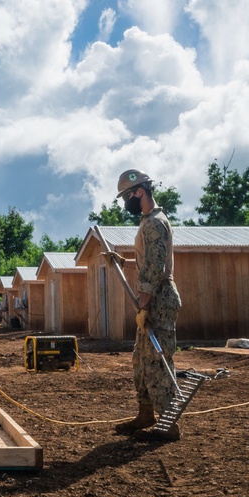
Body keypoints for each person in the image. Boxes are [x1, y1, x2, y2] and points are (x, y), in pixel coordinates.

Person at [110, 169, 183, 442]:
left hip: (159, 299)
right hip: (153, 297)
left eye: (127, 195)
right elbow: (147, 261)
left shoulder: (155, 223)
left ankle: (169, 423)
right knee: (141, 360)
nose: (125, 201)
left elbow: (155, 267)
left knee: (157, 362)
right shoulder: (147, 221)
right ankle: (146, 414)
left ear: (139, 191)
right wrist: (123, 262)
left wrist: (143, 304)